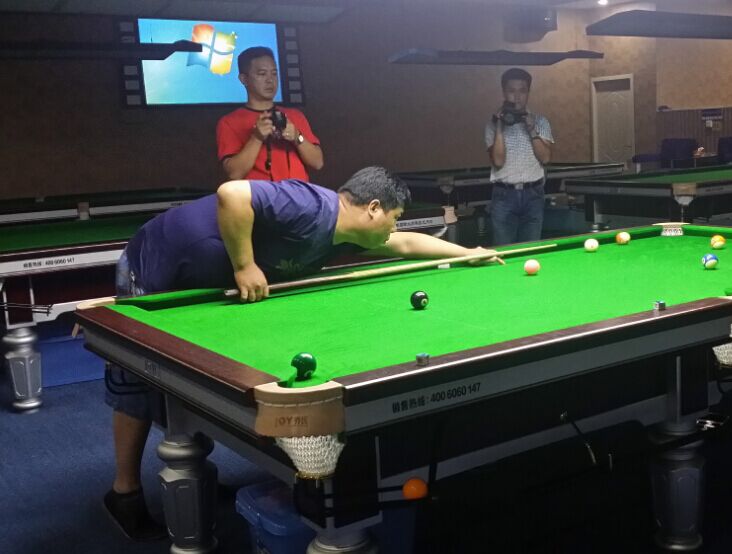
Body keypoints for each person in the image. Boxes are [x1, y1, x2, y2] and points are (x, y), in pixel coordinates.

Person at [102, 167, 499, 540]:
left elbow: (407, 243)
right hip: (157, 261)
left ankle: (197, 474)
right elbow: (232, 193)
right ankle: (125, 494)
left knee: (196, 367)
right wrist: (245, 265)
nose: (394, 228)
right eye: (394, 218)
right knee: (137, 378)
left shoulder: (346, 234)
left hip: (203, 278)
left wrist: (466, 252)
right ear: (373, 208)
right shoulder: (312, 206)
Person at [216, 46, 323, 181]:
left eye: (274, 73)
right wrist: (256, 138)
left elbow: (318, 163)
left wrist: (297, 136)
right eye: (262, 74)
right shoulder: (229, 122)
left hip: (297, 192)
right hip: (259, 193)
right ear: (244, 79)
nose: (270, 80)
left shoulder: (295, 116)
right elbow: (234, 174)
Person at [485, 68, 554, 245]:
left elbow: (546, 158)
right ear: (504, 92)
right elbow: (498, 161)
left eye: (522, 91)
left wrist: (531, 129)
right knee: (504, 251)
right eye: (511, 91)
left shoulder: (540, 122)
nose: (517, 97)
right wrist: (499, 127)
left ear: (528, 93)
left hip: (534, 194)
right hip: (503, 196)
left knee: (531, 249)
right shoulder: (492, 125)